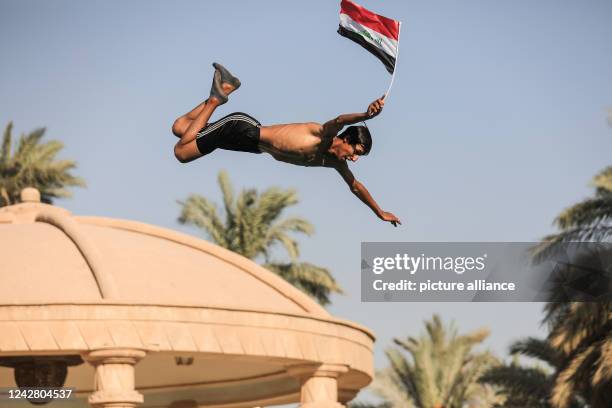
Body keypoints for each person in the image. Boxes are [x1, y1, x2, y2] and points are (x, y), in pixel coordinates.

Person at [172, 63, 401, 226]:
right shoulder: (322, 134)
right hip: (241, 128)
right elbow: (340, 120)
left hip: (249, 143)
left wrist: (379, 212)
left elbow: (355, 186)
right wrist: (366, 115)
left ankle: (227, 87)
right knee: (182, 152)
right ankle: (216, 99)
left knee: (181, 127)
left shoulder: (332, 162)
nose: (354, 158)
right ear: (346, 139)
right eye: (355, 151)